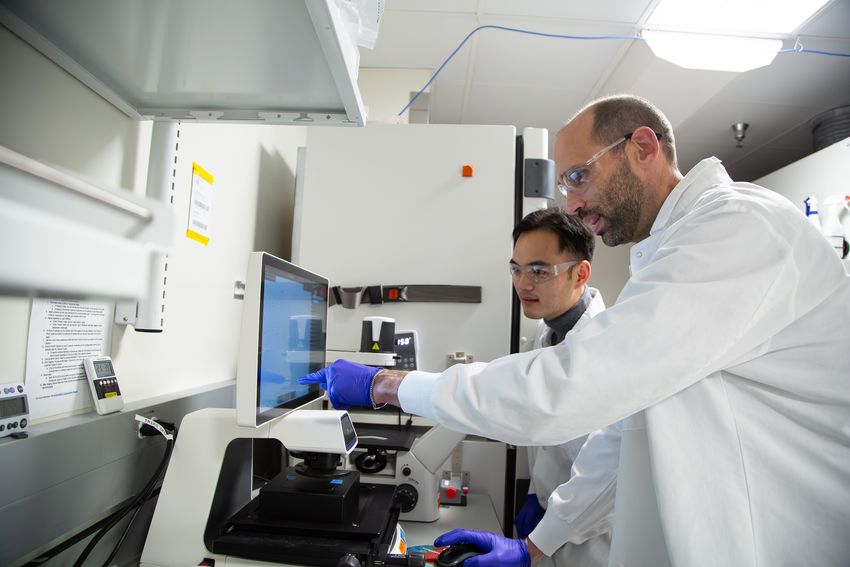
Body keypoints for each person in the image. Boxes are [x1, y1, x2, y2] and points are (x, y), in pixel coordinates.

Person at [301, 94, 850, 566]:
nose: (573, 203)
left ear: (642, 147)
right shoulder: (674, 256)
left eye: (579, 176)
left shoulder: (736, 230)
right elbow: (625, 434)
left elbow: (567, 388)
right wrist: (538, 546)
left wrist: (385, 385)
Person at [510, 207, 616, 567]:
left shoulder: (606, 350)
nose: (523, 284)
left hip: (591, 542)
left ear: (580, 274)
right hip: (548, 513)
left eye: (539, 271)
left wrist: (545, 535)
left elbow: (604, 474)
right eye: (517, 269)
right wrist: (532, 492)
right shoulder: (547, 332)